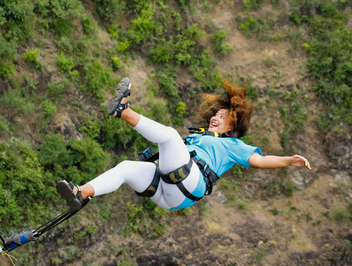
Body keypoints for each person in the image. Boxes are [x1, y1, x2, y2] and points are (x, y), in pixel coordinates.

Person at [56, 77, 312, 211]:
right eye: (216, 114)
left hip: (189, 186)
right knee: (125, 168)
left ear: (231, 127)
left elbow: (260, 160)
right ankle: (81, 193)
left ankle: (122, 111)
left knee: (169, 135)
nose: (215, 117)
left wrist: (289, 160)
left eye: (222, 117)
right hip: (169, 193)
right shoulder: (198, 136)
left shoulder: (233, 146)